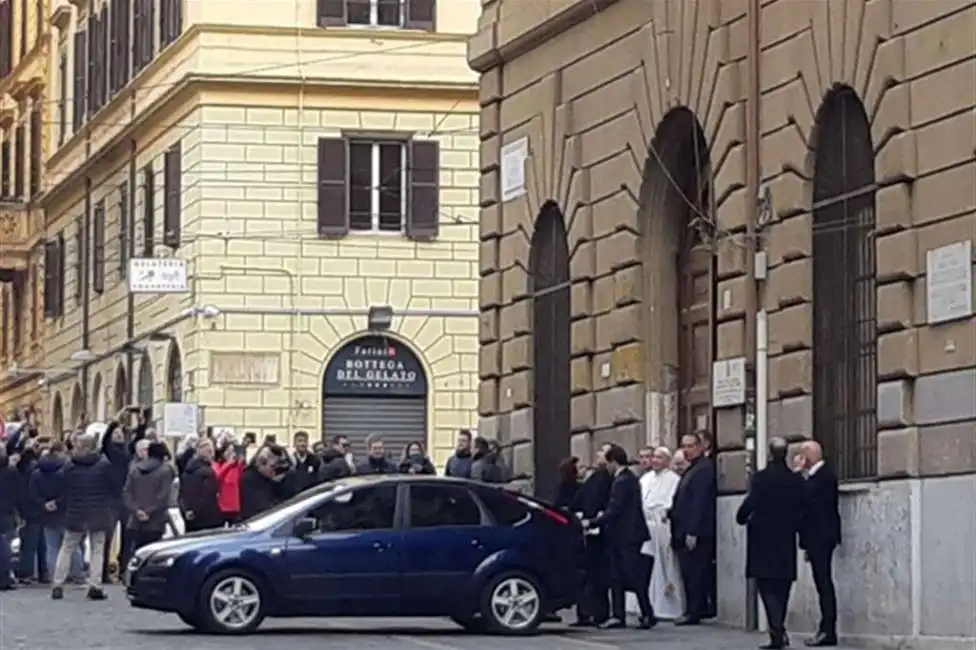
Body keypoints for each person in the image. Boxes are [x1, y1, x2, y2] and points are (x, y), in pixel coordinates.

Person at [736, 437, 807, 649]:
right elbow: (802, 507)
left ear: (769, 453)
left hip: (762, 538)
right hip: (785, 538)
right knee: (783, 585)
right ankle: (778, 628)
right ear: (785, 454)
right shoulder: (794, 480)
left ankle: (776, 630)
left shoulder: (761, 478)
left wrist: (741, 517)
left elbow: (751, 502)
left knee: (766, 585)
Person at [584, 445, 655, 630]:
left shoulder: (622, 481)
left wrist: (593, 522)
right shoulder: (629, 478)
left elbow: (615, 509)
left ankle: (636, 614)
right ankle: (626, 614)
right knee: (622, 576)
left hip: (625, 535)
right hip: (627, 535)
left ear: (614, 462)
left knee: (625, 575)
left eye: (608, 462)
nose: (606, 467)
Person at [50, 432, 118, 601]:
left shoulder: (70, 466)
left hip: (76, 512)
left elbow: (61, 486)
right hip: (99, 512)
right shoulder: (103, 465)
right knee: (97, 549)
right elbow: (114, 487)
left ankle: (58, 584)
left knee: (66, 548)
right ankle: (95, 585)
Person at [669, 432, 716, 626]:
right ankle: (694, 607)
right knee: (689, 572)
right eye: (683, 446)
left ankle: (694, 610)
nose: (686, 450)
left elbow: (700, 502)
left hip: (695, 531)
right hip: (683, 528)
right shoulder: (692, 469)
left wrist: (693, 531)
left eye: (690, 446)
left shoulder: (704, 469)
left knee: (694, 572)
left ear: (700, 447)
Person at [798, 440, 841, 647]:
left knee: (824, 584)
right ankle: (825, 629)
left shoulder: (823, 476)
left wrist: (799, 474)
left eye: (801, 455)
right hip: (816, 537)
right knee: (821, 583)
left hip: (822, 537)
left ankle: (828, 630)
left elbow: (809, 502)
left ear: (809, 455)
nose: (799, 459)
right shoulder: (816, 476)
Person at [636, 446, 683, 620]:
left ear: (667, 460)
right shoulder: (645, 478)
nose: (655, 460)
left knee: (665, 566)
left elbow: (671, 503)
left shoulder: (674, 479)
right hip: (647, 526)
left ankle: (667, 604)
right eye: (653, 457)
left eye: (659, 457)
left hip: (663, 527)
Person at [30, 442, 85, 585]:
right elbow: (70, 491)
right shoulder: (66, 471)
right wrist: (58, 502)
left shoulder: (37, 472)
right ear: (59, 452)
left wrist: (44, 503)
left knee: (52, 547)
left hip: (46, 514)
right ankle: (77, 573)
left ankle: (55, 575)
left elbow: (32, 493)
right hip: (66, 512)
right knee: (72, 545)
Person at [571, 444, 614, 627]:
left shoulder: (610, 478)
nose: (597, 454)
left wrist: (595, 519)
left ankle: (599, 613)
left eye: (602, 452)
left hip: (600, 530)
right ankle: (586, 612)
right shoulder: (595, 476)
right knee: (588, 574)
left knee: (599, 575)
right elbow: (581, 498)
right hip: (588, 528)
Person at [123, 442, 175, 562]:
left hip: (135, 520)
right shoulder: (165, 470)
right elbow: (163, 496)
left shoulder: (135, 469)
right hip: (155, 521)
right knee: (152, 556)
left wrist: (137, 510)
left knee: (136, 552)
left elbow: (126, 493)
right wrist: (149, 511)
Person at [179, 438, 222, 532]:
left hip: (190, 518)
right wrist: (195, 511)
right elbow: (207, 495)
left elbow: (182, 495)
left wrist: (187, 511)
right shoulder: (208, 472)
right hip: (208, 518)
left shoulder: (187, 471)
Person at [240, 446, 290, 519]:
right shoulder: (249, 480)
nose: (275, 471)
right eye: (272, 466)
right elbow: (259, 509)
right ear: (261, 462)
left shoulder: (268, 481)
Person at [0, 449, 20, 591]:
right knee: (5, 546)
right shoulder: (11, 472)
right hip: (6, 511)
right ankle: (5, 578)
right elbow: (19, 492)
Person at [213, 443, 246, 525]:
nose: (230, 453)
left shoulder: (236, 466)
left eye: (232, 451)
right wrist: (228, 464)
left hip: (235, 507)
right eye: (228, 450)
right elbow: (217, 476)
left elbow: (242, 477)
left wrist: (241, 462)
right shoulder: (217, 464)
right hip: (222, 506)